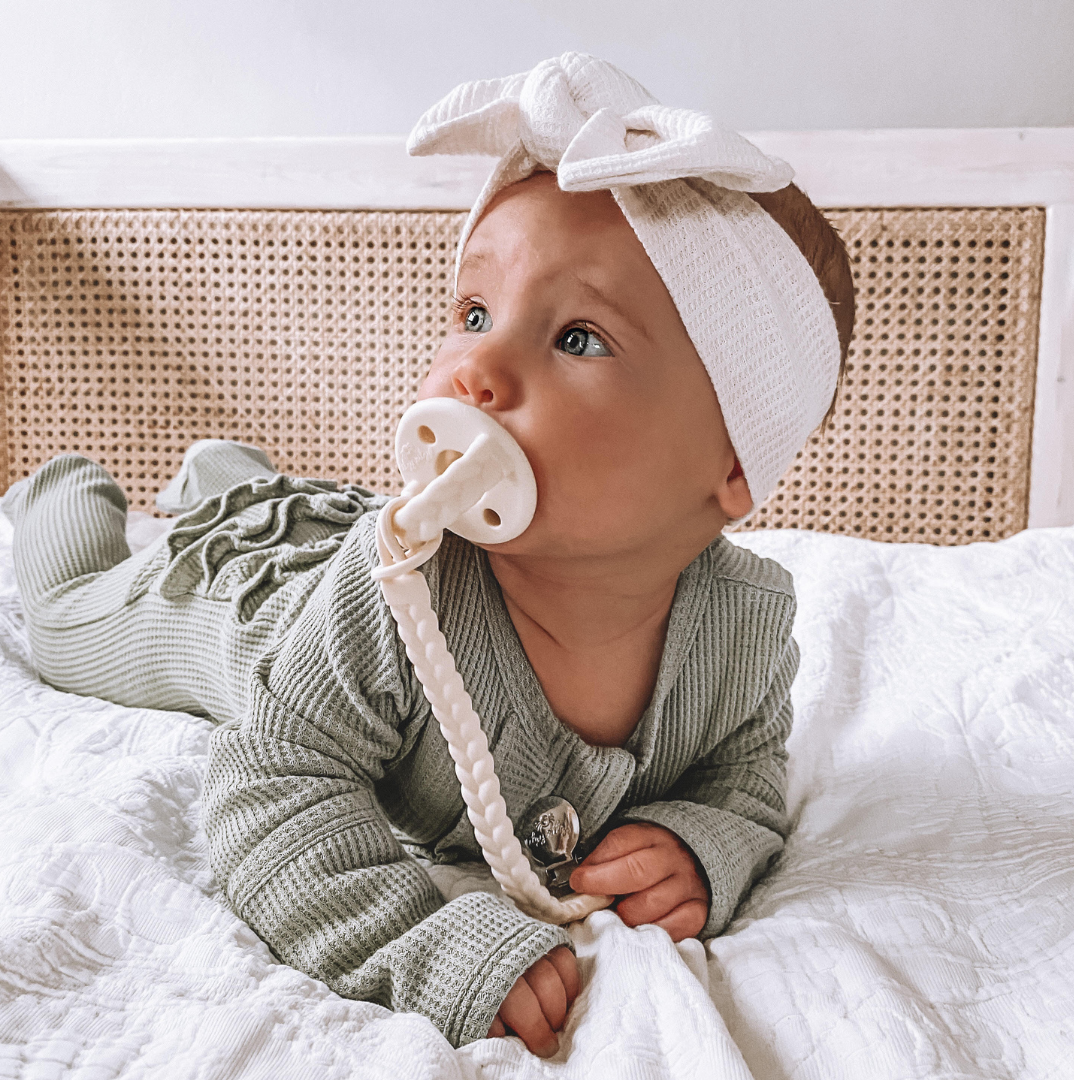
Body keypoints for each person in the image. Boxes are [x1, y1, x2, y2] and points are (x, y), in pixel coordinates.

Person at [1, 53, 853, 1057]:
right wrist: (418, 939)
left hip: (353, 526)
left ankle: (231, 477)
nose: (475, 366)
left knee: (308, 512)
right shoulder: (400, 597)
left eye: (578, 338)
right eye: (475, 314)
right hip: (249, 600)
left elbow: (742, 779)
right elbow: (270, 778)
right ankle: (70, 490)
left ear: (735, 464)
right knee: (67, 623)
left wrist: (702, 847)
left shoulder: (743, 630)